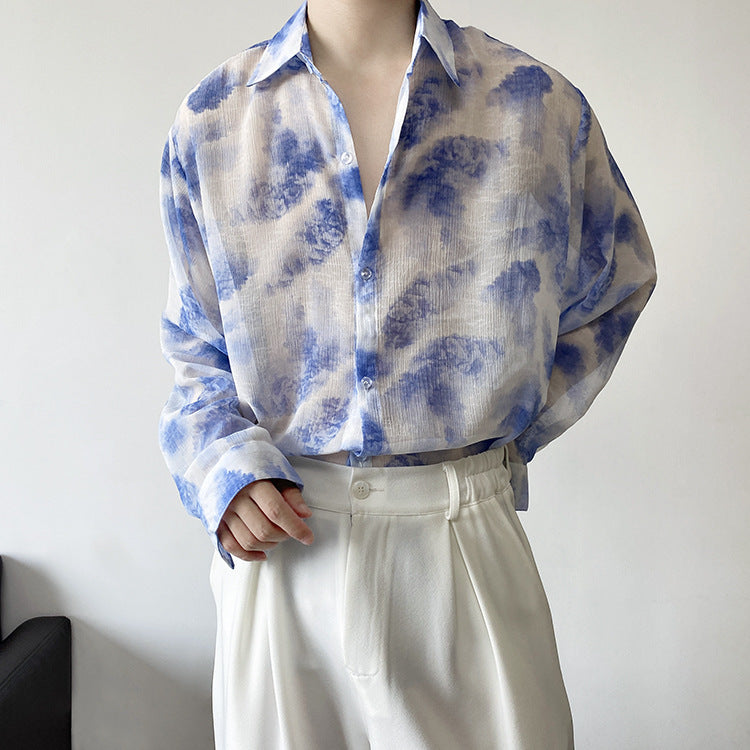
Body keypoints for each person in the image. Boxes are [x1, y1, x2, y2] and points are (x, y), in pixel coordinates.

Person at [157, 0, 657, 747]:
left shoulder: (537, 106)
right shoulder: (215, 118)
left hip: (462, 542)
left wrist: (503, 439)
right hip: (284, 553)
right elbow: (196, 353)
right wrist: (227, 470)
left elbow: (616, 285)